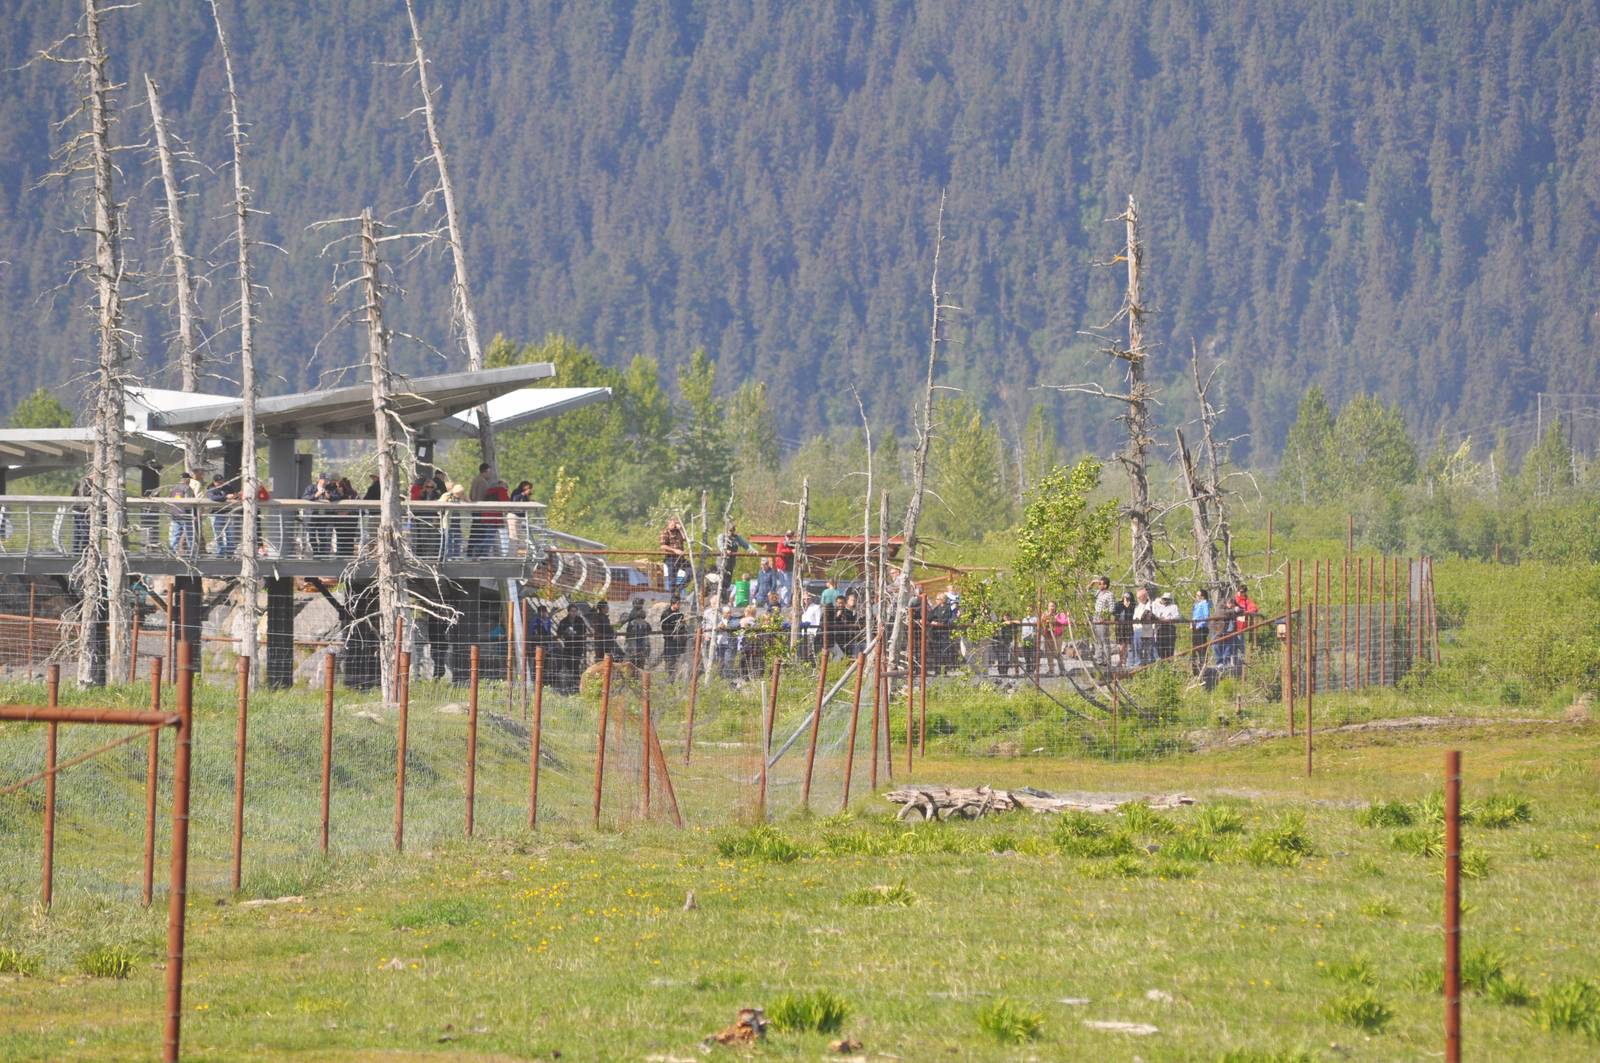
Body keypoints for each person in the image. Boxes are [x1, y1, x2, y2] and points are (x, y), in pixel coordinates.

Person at [554, 605, 588, 692]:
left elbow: (584, 630)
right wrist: (566, 632)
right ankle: (569, 685)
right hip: (568, 646)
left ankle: (576, 685)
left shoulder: (580, 620)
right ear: (568, 612)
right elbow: (559, 632)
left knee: (576, 665)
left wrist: (576, 633)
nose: (574, 613)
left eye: (575, 611)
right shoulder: (564, 621)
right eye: (572, 611)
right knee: (569, 665)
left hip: (578, 646)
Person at [302, 472, 336, 556]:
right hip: (311, 517)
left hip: (324, 517)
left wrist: (329, 496)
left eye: (327, 480)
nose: (326, 482)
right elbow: (305, 497)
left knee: (323, 537)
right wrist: (316, 495)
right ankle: (315, 552)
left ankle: (320, 554)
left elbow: (337, 497)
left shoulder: (330, 489)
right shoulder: (311, 488)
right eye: (324, 479)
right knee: (312, 536)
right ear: (320, 480)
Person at [716, 521, 749, 602]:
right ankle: (720, 600)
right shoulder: (721, 536)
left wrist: (753, 551)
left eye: (733, 530)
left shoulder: (737, 538)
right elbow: (720, 545)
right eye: (730, 530)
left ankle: (724, 600)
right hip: (722, 564)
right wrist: (725, 550)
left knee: (728, 583)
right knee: (721, 582)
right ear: (726, 530)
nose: (732, 532)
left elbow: (746, 545)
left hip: (731, 564)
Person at [659, 598, 688, 677]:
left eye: (679, 604)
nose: (679, 605)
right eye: (678, 604)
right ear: (673, 604)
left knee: (677, 659)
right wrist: (673, 626)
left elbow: (683, 628)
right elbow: (663, 626)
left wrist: (682, 625)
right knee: (670, 659)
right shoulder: (666, 614)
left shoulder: (680, 614)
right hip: (669, 640)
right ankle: (669, 676)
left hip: (679, 641)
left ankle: (675, 676)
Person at [621, 598, 652, 671]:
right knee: (629, 668)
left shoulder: (644, 623)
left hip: (640, 649)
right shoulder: (631, 619)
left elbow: (648, 631)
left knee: (638, 669)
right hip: (632, 649)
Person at [659, 516, 689, 591]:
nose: (674, 525)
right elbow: (663, 546)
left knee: (691, 571)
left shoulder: (678, 531)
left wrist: (681, 529)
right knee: (672, 579)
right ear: (669, 523)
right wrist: (675, 550)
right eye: (673, 523)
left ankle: (679, 588)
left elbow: (685, 538)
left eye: (676, 523)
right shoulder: (665, 531)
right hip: (671, 558)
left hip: (681, 559)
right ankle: (673, 597)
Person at [1091, 576, 1114, 667]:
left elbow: (1112, 608)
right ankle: (1099, 660)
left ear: (1105, 585)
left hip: (1103, 619)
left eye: (1100, 584)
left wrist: (1104, 617)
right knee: (1097, 640)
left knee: (1105, 641)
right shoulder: (1098, 593)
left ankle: (1107, 662)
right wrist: (1093, 582)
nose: (1099, 585)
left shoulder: (1109, 594)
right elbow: (1087, 591)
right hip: (1095, 618)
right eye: (1099, 583)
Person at [1190, 589, 1212, 674]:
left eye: (1198, 595)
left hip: (1201, 628)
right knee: (1195, 648)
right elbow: (1195, 615)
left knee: (1202, 648)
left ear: (1202, 596)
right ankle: (1195, 668)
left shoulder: (1205, 604)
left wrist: (1200, 625)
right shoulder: (1197, 604)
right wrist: (1192, 623)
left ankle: (1203, 667)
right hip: (1195, 626)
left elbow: (1206, 616)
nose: (1196, 597)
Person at [1153, 591, 1181, 660]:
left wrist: (1168, 619)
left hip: (1170, 628)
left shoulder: (1174, 607)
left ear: (1170, 600)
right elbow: (1155, 616)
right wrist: (1159, 619)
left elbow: (1178, 617)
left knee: (1170, 648)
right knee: (1160, 648)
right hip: (1161, 629)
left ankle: (1169, 664)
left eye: (1166, 599)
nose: (1165, 600)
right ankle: (1162, 664)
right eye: (1164, 599)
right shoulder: (1159, 607)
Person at [1112, 590, 1135, 673]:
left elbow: (1132, 614)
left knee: (1128, 644)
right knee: (1122, 644)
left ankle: (1126, 661)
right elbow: (1114, 612)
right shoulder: (1118, 604)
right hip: (1120, 627)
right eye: (1125, 597)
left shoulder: (1133, 605)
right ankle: (1122, 661)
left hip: (1129, 626)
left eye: (1128, 597)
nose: (1126, 598)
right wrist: (1124, 605)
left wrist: (1128, 606)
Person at [800, 592, 822, 661]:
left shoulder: (816, 607)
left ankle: (813, 666)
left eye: (808, 599)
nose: (806, 600)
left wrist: (815, 633)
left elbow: (818, 621)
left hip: (811, 633)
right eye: (804, 599)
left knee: (811, 652)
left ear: (811, 599)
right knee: (803, 651)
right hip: (803, 633)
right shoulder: (802, 608)